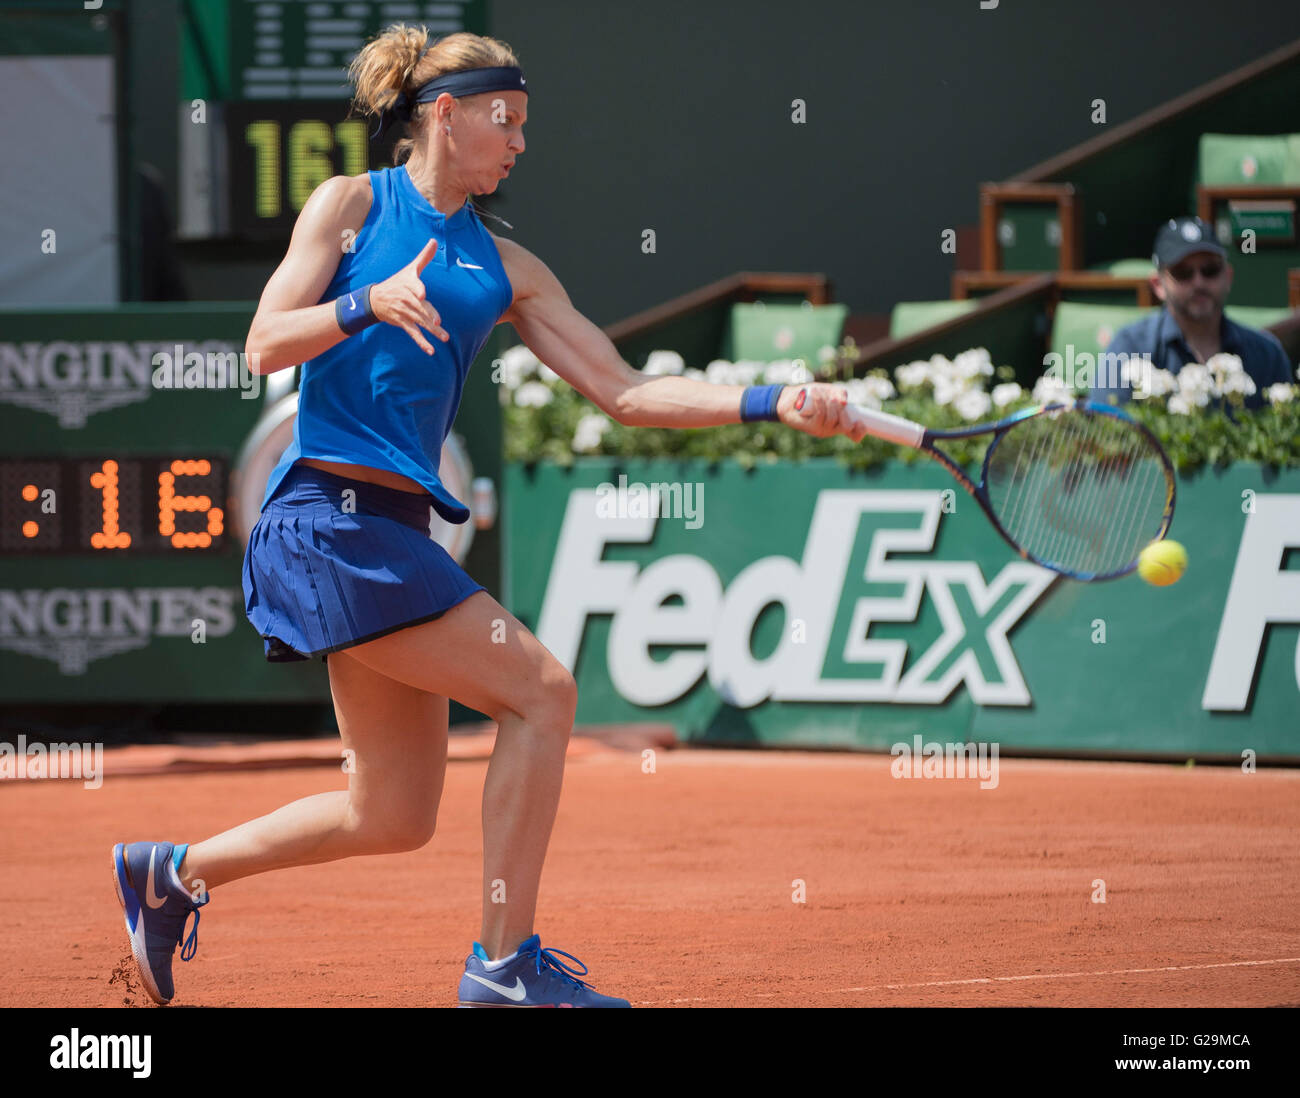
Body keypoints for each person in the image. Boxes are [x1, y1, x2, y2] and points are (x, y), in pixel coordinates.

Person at [110, 25, 866, 1009]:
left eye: (523, 125)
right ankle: (504, 967)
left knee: (389, 814)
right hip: (325, 522)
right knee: (543, 692)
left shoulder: (508, 266)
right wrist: (366, 303)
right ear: (443, 113)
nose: (517, 143)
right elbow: (262, 345)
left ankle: (171, 876)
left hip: (393, 533)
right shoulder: (349, 207)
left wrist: (771, 401)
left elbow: (625, 390)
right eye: (502, 121)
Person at [1091, 216, 1292, 410]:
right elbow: (1108, 433)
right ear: (1157, 285)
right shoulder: (1129, 349)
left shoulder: (1267, 354)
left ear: (1228, 277)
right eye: (1183, 273)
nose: (1199, 282)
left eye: (1210, 270)